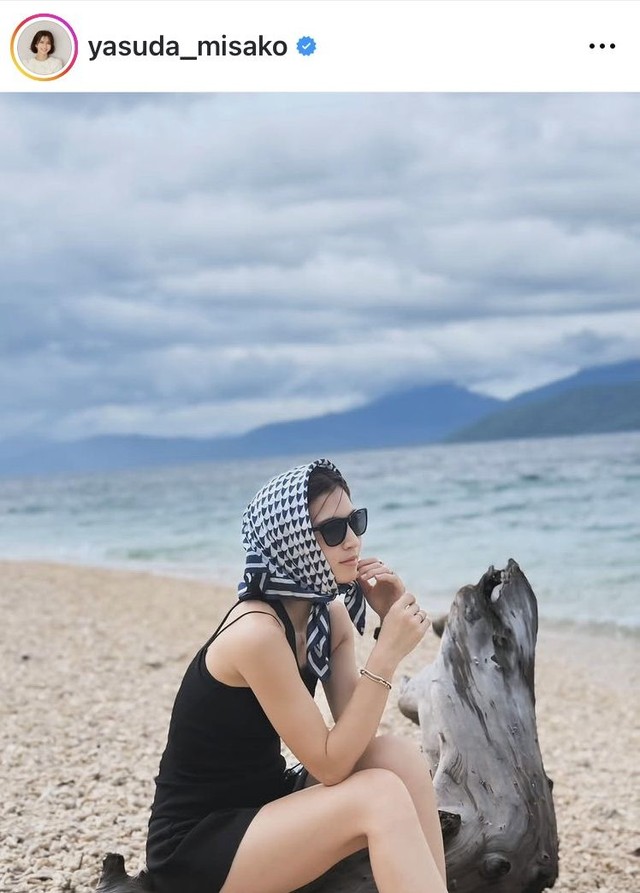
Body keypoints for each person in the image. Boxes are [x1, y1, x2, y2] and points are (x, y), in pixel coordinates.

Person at [146, 458, 447, 893]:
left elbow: (354, 738)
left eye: (356, 522)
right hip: (197, 846)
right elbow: (330, 764)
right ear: (293, 542)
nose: (353, 540)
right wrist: (386, 656)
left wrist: (387, 622)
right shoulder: (257, 634)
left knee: (397, 757)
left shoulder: (327, 617)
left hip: (265, 806)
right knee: (378, 796)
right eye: (333, 530)